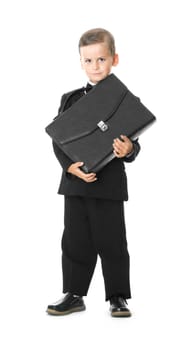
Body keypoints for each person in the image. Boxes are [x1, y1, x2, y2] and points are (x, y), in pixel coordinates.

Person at [46, 28, 141, 317]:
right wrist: (69, 167)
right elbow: (58, 138)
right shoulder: (70, 99)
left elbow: (133, 141)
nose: (95, 66)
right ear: (81, 62)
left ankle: (117, 297)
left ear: (115, 59)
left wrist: (130, 151)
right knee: (75, 241)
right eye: (88, 61)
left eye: (101, 59)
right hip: (76, 184)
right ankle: (74, 294)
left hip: (109, 186)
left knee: (112, 242)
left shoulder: (125, 100)